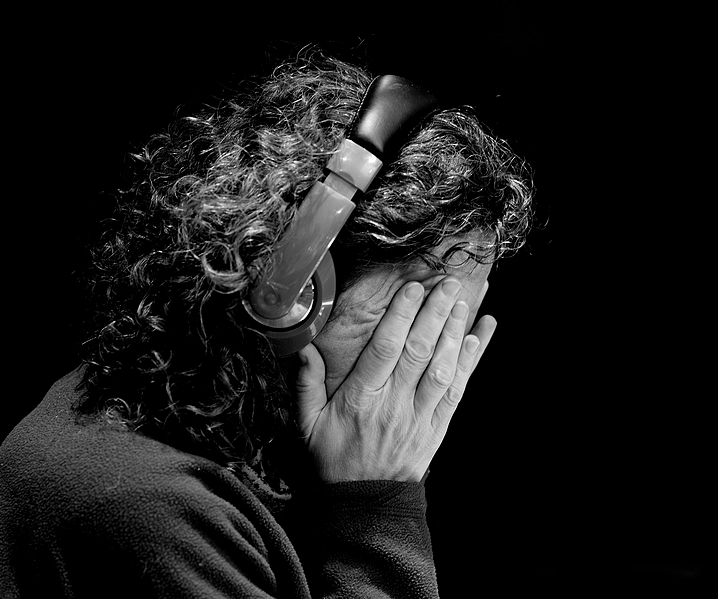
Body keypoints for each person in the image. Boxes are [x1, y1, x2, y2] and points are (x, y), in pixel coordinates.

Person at [0, 48, 534, 597]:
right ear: (290, 295)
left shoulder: (243, 445)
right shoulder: (149, 510)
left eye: (459, 319)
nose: (436, 362)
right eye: (416, 313)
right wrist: (375, 510)